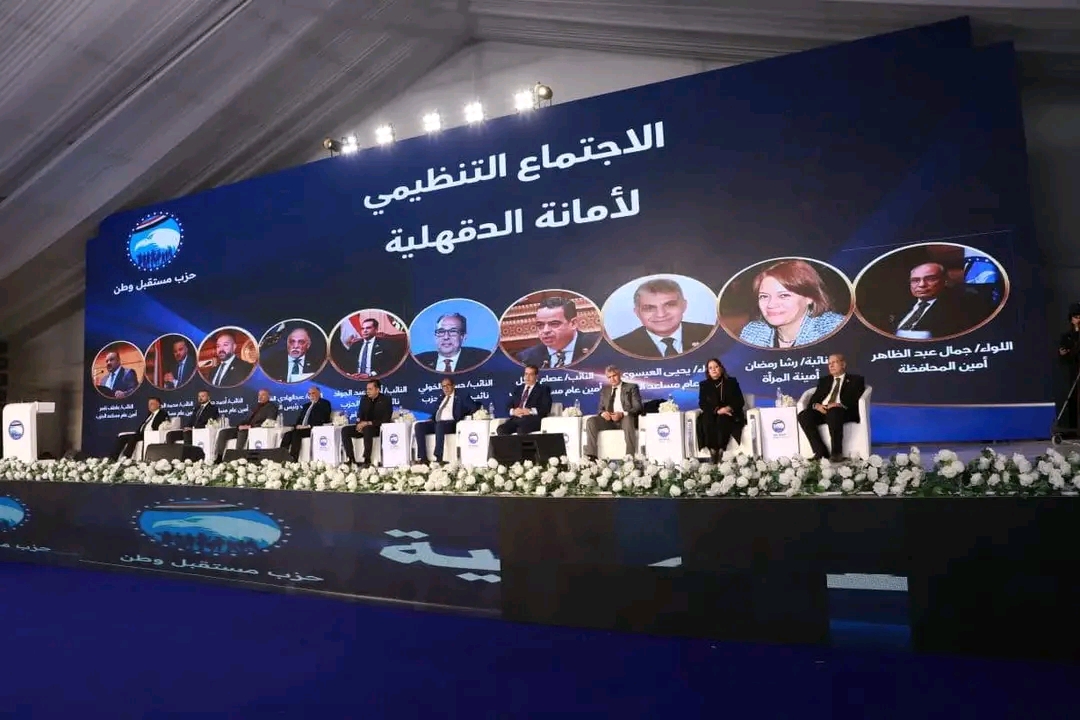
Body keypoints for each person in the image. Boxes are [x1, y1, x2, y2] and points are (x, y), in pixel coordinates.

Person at [738, 260, 846, 349]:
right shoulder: (753, 333)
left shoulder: (834, 329)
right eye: (764, 296)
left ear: (810, 297)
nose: (771, 304)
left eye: (783, 295)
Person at [613, 278, 714, 358]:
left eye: (669, 305)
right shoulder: (620, 346)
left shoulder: (710, 333)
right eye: (649, 308)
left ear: (684, 305)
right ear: (637, 313)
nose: (661, 314)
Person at [796, 354, 866, 462]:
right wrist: (817, 406)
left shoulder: (856, 380)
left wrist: (839, 404)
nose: (831, 365)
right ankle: (821, 452)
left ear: (843, 364)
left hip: (843, 412)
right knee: (803, 415)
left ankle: (836, 453)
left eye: (834, 362)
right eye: (829, 363)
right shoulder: (824, 381)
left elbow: (854, 399)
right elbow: (813, 401)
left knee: (834, 412)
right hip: (823, 411)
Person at [889, 262, 986, 338]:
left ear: (945, 281)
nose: (922, 285)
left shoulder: (959, 308)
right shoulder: (900, 306)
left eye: (930, 279)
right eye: (915, 280)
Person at [516, 298, 599, 369]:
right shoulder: (526, 358)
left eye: (554, 324)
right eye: (540, 325)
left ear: (573, 323)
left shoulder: (597, 345)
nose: (545, 330)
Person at [584, 365, 643, 459]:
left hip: (624, 419)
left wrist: (622, 414)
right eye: (609, 377)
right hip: (609, 421)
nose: (612, 379)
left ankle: (629, 457)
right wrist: (603, 413)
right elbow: (600, 409)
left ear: (619, 375)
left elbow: (638, 407)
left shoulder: (631, 387)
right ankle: (591, 457)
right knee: (591, 421)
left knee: (628, 419)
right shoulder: (605, 390)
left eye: (614, 375)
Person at [415, 377, 478, 463]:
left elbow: (474, 407)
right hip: (437, 423)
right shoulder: (441, 398)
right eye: (443, 386)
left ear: (453, 386)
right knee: (419, 426)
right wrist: (431, 419)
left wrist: (464, 414)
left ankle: (438, 458)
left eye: (448, 385)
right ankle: (423, 458)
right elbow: (436, 412)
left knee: (439, 425)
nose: (446, 388)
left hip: (451, 424)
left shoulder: (461, 396)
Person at [695, 358, 746, 462]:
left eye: (716, 367)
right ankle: (713, 451)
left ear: (721, 368)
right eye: (710, 368)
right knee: (707, 419)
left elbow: (740, 401)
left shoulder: (731, 382)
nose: (713, 369)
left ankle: (721, 450)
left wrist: (728, 408)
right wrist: (717, 411)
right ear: (708, 371)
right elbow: (702, 403)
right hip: (712, 412)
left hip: (729, 413)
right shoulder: (704, 385)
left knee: (722, 419)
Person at [213, 388, 279, 462]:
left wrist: (250, 427)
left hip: (255, 429)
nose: (260, 397)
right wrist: (239, 426)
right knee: (223, 432)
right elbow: (246, 419)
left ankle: (238, 457)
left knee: (242, 432)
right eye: (259, 395)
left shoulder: (272, 407)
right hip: (245, 427)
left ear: (269, 396)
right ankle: (219, 456)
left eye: (263, 395)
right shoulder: (255, 406)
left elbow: (269, 422)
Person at [413, 313, 491, 373]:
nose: (446, 337)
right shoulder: (419, 361)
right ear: (435, 336)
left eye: (453, 331)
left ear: (463, 337)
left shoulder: (481, 359)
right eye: (441, 331)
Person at [332, 317, 406, 379]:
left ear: (376, 329)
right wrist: (351, 374)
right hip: (355, 379)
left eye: (368, 328)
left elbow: (388, 365)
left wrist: (370, 374)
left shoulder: (384, 344)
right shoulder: (355, 345)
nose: (365, 331)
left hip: (375, 379)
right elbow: (347, 363)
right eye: (362, 328)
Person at [342, 379, 393, 465]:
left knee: (368, 428)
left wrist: (368, 423)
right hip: (364, 427)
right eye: (367, 389)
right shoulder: (364, 399)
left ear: (377, 390)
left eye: (370, 389)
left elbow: (386, 420)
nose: (367, 391)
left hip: (377, 428)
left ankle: (367, 459)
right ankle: (351, 458)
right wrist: (359, 424)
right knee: (345, 430)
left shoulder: (386, 400)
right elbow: (360, 414)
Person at [280, 387, 332, 461]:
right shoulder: (306, 405)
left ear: (319, 393)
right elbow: (300, 419)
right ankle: (282, 458)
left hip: (314, 428)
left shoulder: (324, 403)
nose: (311, 395)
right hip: (302, 428)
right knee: (287, 434)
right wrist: (297, 425)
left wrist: (307, 426)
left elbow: (323, 418)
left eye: (313, 393)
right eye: (309, 394)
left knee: (296, 434)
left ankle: (293, 459)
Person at [497, 364, 552, 435]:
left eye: (531, 374)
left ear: (536, 376)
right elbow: (508, 406)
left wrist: (530, 411)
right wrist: (514, 411)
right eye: (526, 374)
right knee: (501, 429)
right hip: (516, 419)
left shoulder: (543, 389)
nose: (527, 377)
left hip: (532, 420)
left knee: (521, 429)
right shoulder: (518, 389)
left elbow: (546, 408)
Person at [1056, 304, 1080, 431]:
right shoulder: (1067, 336)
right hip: (1073, 371)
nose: (1079, 320)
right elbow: (1064, 351)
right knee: (1073, 399)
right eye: (1076, 317)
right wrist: (1063, 352)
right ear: (1071, 319)